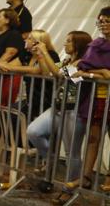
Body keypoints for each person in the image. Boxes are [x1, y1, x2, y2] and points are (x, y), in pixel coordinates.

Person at [27, 31, 91, 194]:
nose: (65, 44)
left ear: (78, 44)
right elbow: (48, 73)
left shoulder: (83, 63)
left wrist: (45, 52)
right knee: (33, 131)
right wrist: (41, 56)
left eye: (69, 41)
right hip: (58, 107)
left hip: (74, 110)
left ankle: (69, 189)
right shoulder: (67, 60)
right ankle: (51, 159)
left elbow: (57, 73)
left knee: (72, 151)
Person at [66, 8, 110, 192]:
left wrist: (93, 72)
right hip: (96, 96)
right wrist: (98, 72)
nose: (104, 24)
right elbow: (85, 70)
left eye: (108, 20)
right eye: (101, 21)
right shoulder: (96, 44)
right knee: (93, 137)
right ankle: (85, 177)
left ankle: (108, 179)